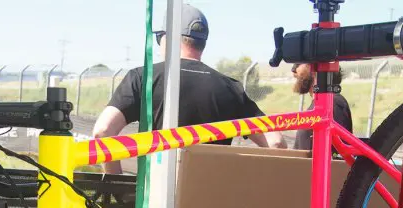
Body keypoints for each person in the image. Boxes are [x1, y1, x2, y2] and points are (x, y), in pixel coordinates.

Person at [93, 3, 286, 174]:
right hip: (210, 206)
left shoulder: (142, 78)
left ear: (168, 37)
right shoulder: (231, 88)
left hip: (155, 204)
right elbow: (276, 142)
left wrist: (115, 181)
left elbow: (102, 131)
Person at [291, 63, 353, 151]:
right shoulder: (324, 103)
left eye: (299, 62)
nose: (293, 70)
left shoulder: (332, 104)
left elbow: (334, 157)